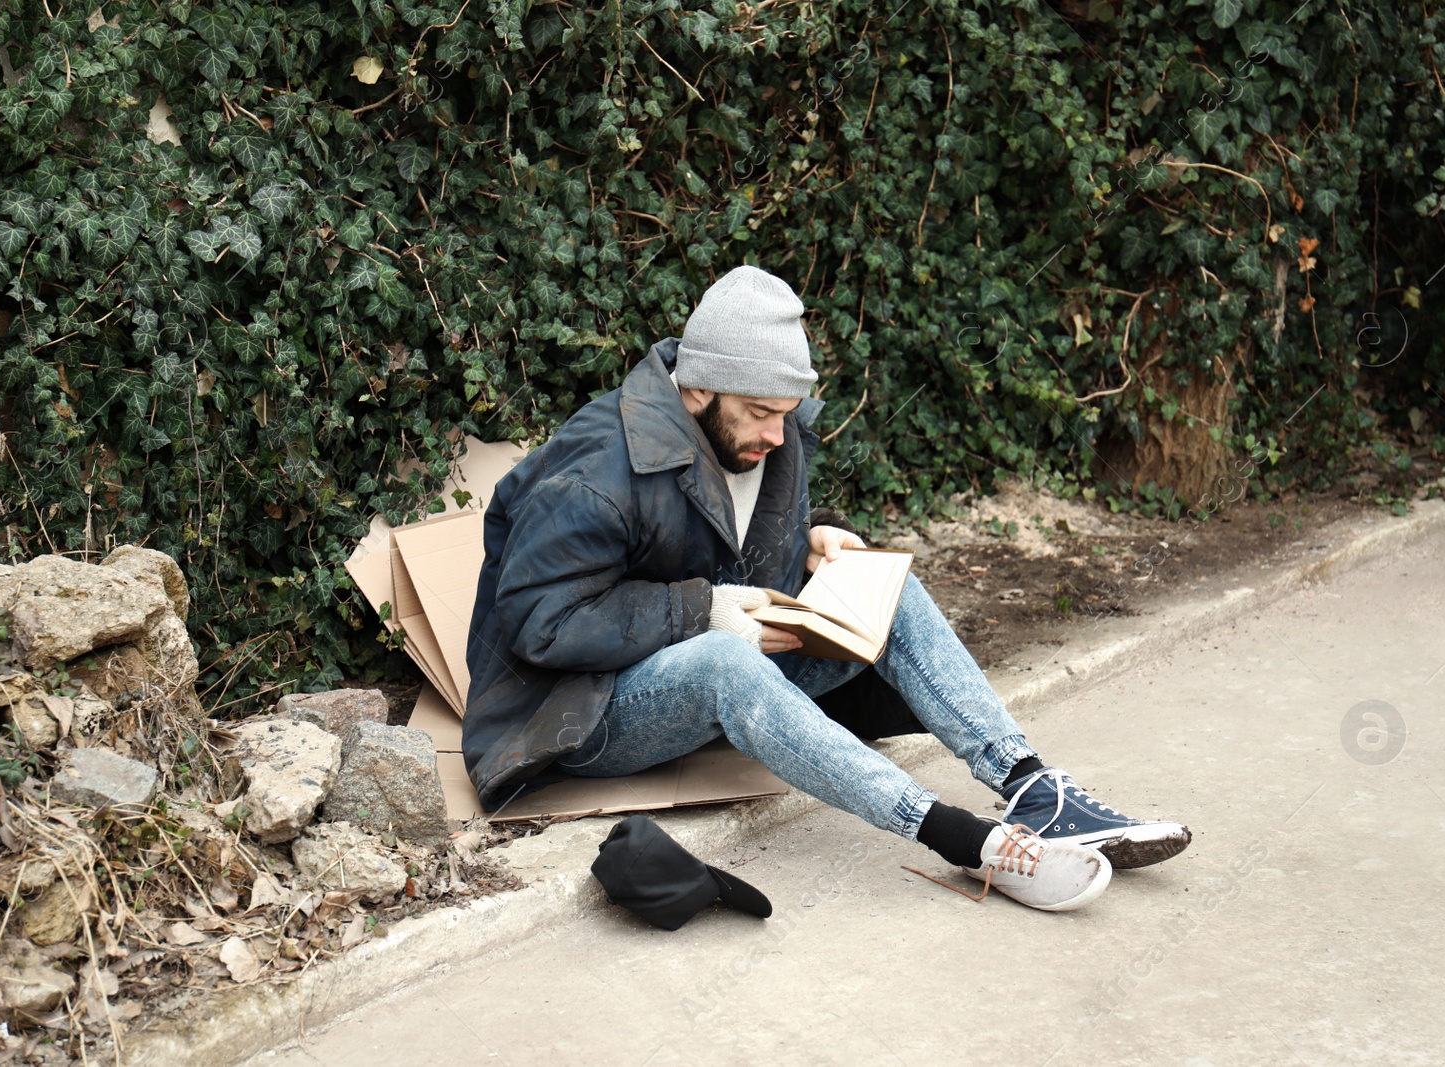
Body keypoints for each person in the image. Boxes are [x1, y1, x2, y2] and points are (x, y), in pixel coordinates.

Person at [463, 265, 1190, 912]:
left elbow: (738, 542)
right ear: (699, 386)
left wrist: (821, 537)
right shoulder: (594, 472)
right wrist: (704, 609)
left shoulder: (764, 429)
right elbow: (541, 622)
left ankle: (1032, 785)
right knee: (725, 660)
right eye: (760, 414)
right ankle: (966, 840)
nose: (779, 436)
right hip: (578, 713)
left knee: (884, 582)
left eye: (786, 413)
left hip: (729, 665)